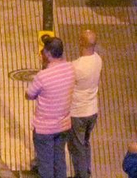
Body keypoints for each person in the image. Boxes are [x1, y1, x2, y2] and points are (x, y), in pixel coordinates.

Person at [26, 35, 77, 178]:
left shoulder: (43, 76)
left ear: (48, 54)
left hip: (45, 128)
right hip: (63, 125)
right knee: (59, 160)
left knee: (46, 164)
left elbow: (29, 94)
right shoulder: (71, 69)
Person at [68, 29, 102, 178]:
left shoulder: (75, 66)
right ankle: (87, 170)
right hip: (92, 111)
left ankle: (82, 175)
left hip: (78, 112)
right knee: (86, 143)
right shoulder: (98, 59)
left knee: (77, 147)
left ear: (81, 42)